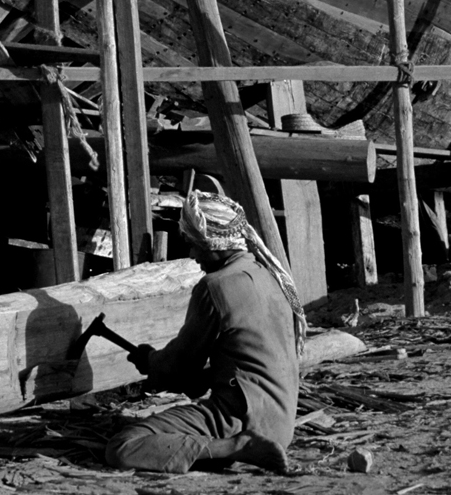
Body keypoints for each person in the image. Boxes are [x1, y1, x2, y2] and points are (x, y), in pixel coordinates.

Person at [104, 183, 306, 475]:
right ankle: (238, 444)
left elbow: (177, 368)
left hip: (242, 421)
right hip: (280, 422)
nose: (192, 255)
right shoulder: (268, 275)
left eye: (194, 243)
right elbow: (255, 359)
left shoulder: (216, 286)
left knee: (123, 445)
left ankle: (237, 447)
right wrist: (206, 378)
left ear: (213, 242)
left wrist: (151, 362)